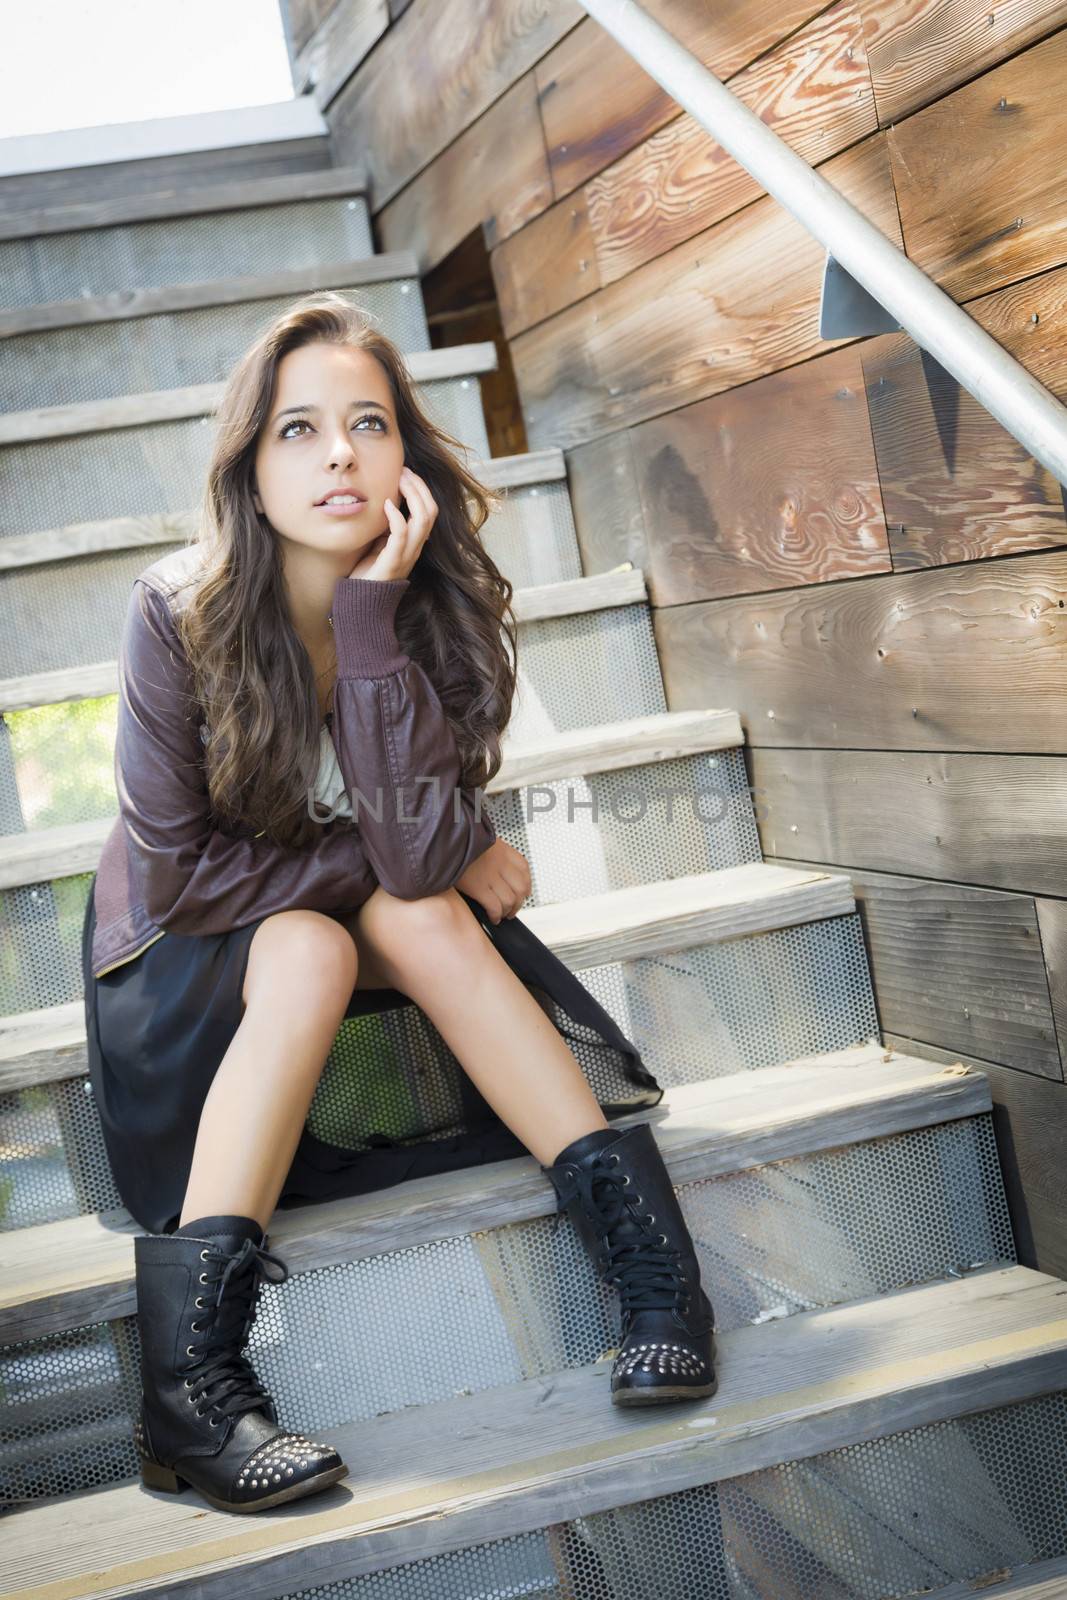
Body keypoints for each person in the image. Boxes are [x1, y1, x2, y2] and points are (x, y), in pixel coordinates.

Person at [80, 291, 717, 1516]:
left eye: (367, 424)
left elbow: (420, 872)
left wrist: (368, 622)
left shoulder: (427, 607)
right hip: (185, 953)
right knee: (322, 942)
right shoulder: (175, 612)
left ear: (406, 459)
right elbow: (184, 876)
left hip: (353, 910)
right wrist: (408, 855)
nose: (339, 456)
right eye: (297, 430)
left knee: (415, 916)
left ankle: (655, 1282)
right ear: (248, 467)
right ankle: (191, 1393)